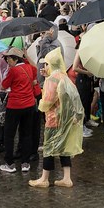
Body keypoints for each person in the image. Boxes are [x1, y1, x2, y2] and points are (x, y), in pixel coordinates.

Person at [29, 48, 84, 188]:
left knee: (49, 148)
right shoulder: (63, 77)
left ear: (51, 64)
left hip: (54, 120)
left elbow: (47, 102)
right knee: (63, 148)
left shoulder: (52, 79)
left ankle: (44, 179)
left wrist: (41, 104)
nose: (44, 67)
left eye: (46, 64)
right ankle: (67, 178)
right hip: (66, 120)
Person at [0, 47, 40, 174]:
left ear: (15, 59)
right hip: (29, 106)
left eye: (8, 59)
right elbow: (35, 70)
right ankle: (25, 163)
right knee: (26, 134)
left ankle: (10, 163)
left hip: (15, 106)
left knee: (9, 134)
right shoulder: (29, 68)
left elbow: (3, 85)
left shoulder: (13, 71)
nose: (7, 62)